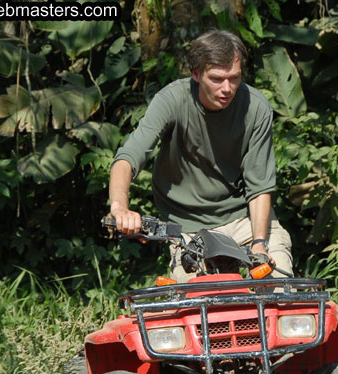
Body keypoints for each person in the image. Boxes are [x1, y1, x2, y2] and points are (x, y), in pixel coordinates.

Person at [109, 29, 292, 281]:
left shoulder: (255, 106)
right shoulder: (172, 100)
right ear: (196, 74)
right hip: (189, 228)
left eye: (234, 78)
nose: (227, 88)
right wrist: (120, 209)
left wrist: (259, 243)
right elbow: (128, 157)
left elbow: (259, 186)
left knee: (281, 290)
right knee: (197, 308)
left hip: (246, 220)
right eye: (217, 79)